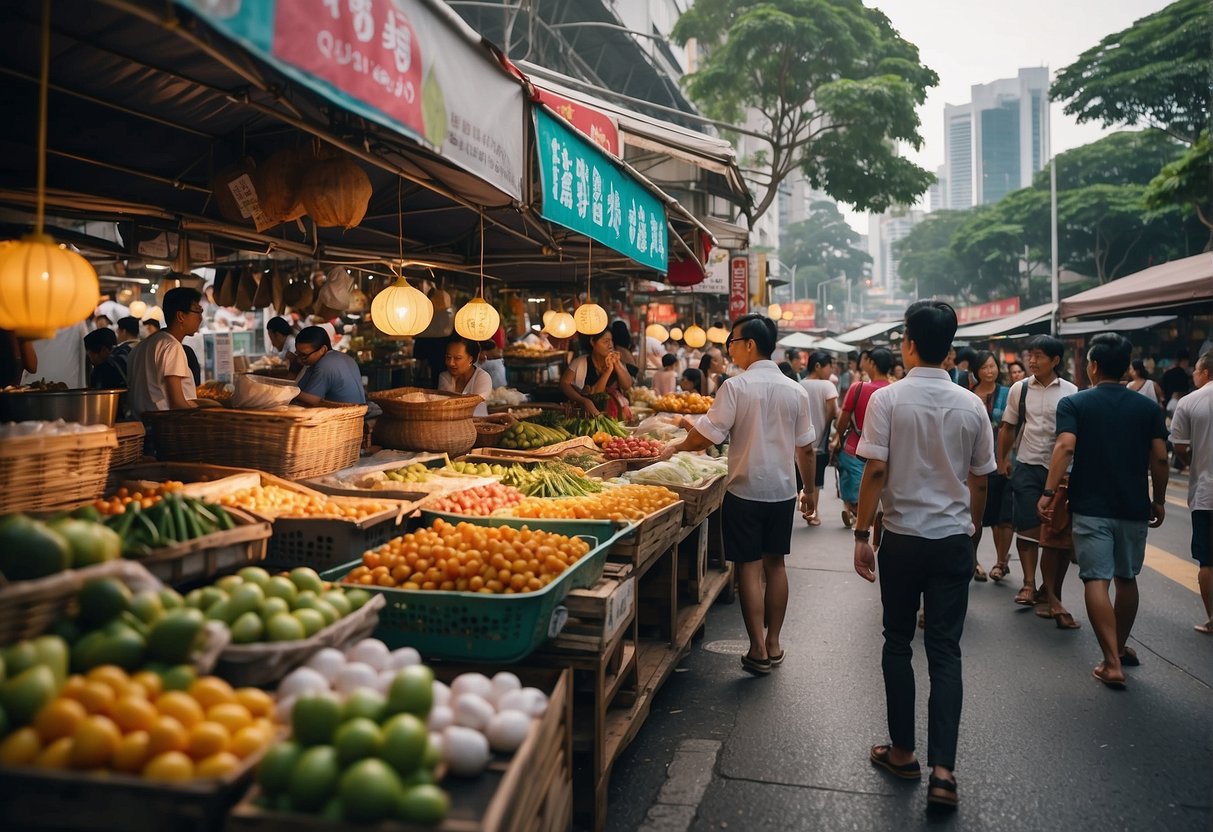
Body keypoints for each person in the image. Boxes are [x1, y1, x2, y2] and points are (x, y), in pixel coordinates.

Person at [852, 301, 993, 811]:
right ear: (950, 348)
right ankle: (943, 774)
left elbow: (873, 473)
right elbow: (980, 480)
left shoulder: (888, 400)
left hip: (903, 538)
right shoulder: (972, 405)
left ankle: (904, 751)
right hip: (953, 537)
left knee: (896, 641)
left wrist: (862, 534)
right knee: (945, 650)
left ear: (908, 343)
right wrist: (971, 530)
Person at [660, 314, 814, 676]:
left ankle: (757, 649)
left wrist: (678, 446)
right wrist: (810, 491)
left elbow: (707, 436)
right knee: (776, 565)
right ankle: (774, 643)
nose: (730, 350)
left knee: (748, 566)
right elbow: (806, 449)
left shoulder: (736, 387)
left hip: (744, 490)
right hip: (782, 491)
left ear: (749, 345)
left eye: (733, 342)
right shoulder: (796, 389)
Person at [1039, 333, 1168, 688]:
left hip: (1091, 505)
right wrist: (1158, 498)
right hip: (1133, 505)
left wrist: (1049, 492)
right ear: (1126, 368)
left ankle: (1112, 661)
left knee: (1096, 578)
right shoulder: (1148, 408)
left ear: (1092, 366)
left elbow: (1065, 447)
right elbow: (1159, 457)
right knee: (1127, 578)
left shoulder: (1076, 404)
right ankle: (1120, 645)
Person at [997, 335, 1078, 617]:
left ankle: (1050, 589)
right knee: (1027, 526)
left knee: (1059, 532)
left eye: (1039, 356)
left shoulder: (1072, 392)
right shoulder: (1019, 389)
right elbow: (1008, 427)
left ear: (1055, 360)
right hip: (1028, 464)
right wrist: (1002, 459)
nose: (1032, 361)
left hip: (1062, 469)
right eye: (1030, 355)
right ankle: (1029, 584)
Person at [1163, 350, 1211, 633]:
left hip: (1206, 493)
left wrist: (1191, 462)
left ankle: (1212, 618)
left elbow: (1179, 446)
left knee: (1208, 560)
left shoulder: (1190, 401)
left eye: (1195, 370)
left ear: (1204, 372)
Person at [832, 349, 893, 528]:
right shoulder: (894, 390)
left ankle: (857, 515)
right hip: (888, 450)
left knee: (853, 483)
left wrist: (837, 438)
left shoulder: (858, 388)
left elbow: (842, 420)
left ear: (872, 364)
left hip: (855, 446)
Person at [969, 351, 1014, 583]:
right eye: (984, 367)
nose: (989, 371)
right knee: (973, 515)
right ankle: (973, 561)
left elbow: (1014, 426)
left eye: (992, 366)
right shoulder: (969, 396)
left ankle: (1001, 562)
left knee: (1003, 516)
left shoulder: (1008, 394)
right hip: (975, 464)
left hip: (1003, 462)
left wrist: (1006, 457)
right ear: (976, 370)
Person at [127, 288, 201, 414]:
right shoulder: (172, 346)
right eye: (198, 311)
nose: (201, 318)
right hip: (166, 426)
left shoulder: (141, 346)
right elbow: (177, 403)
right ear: (181, 316)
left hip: (143, 424)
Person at [799, 351, 838, 527]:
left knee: (803, 476)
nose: (831, 370)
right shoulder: (827, 386)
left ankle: (806, 508)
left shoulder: (800, 385)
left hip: (801, 439)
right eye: (829, 366)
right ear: (818, 366)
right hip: (820, 440)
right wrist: (826, 425)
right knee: (816, 480)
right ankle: (813, 513)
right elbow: (833, 410)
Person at [560, 329, 633, 418]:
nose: (610, 345)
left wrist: (617, 364)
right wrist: (583, 400)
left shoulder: (616, 361)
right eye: (605, 341)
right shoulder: (581, 362)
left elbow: (627, 385)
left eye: (611, 340)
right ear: (592, 342)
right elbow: (564, 383)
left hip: (615, 417)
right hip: (587, 417)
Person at [294, 325, 366, 405]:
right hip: (359, 412)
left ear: (323, 349)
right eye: (298, 354)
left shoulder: (325, 365)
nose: (299, 359)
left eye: (304, 355)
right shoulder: (346, 358)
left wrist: (288, 392)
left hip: (345, 415)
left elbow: (312, 400)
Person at [438, 336, 493, 417]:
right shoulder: (445, 377)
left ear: (471, 359)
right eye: (448, 357)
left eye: (457, 358)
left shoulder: (482, 377)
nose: (451, 363)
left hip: (477, 426)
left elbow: (472, 403)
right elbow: (443, 405)